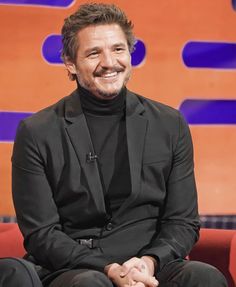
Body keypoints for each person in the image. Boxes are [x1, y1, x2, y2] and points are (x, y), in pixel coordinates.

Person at [0, 3, 228, 287]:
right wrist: (107, 268)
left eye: (118, 49)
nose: (109, 62)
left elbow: (182, 221)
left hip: (149, 264)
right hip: (76, 268)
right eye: (94, 52)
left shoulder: (170, 124)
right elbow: (41, 234)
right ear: (70, 62)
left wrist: (150, 262)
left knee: (204, 278)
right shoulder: (37, 132)